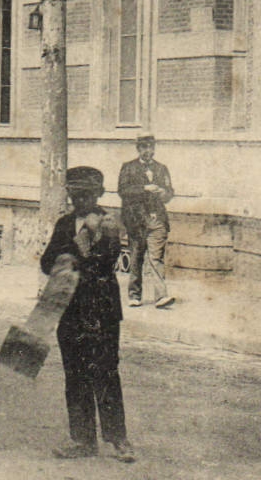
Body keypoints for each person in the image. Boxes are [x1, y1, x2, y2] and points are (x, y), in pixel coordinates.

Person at [42, 166, 134, 462]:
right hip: (70, 311)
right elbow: (46, 262)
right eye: (76, 195)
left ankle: (118, 440)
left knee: (106, 372)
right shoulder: (65, 223)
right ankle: (82, 440)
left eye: (86, 195)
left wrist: (74, 255)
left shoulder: (109, 223)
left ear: (97, 195)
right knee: (75, 374)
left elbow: (105, 263)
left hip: (102, 310)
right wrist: (75, 247)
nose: (80, 201)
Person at [116, 134, 176, 308]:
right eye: (144, 147)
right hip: (137, 221)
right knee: (136, 257)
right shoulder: (128, 167)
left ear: (154, 148)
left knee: (156, 258)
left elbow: (170, 191)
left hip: (157, 220)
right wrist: (144, 188)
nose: (147, 151)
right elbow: (123, 191)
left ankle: (161, 296)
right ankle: (134, 295)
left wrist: (164, 194)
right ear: (138, 149)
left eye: (150, 147)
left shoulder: (162, 168)